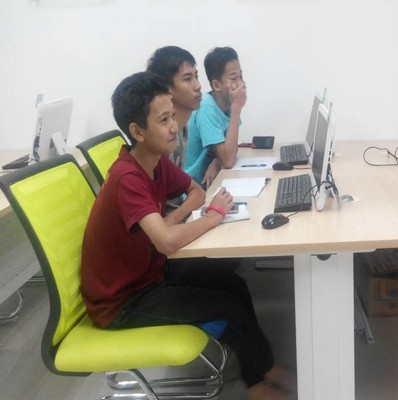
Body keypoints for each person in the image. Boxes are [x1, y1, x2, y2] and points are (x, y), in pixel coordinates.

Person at [80, 72, 294, 400]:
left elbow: (196, 192)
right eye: (163, 120)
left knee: (233, 284)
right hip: (123, 302)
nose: (174, 127)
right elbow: (167, 242)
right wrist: (211, 218)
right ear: (137, 131)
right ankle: (261, 380)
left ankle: (261, 370)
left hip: (149, 272)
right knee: (226, 307)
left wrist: (171, 219)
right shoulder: (127, 178)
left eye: (172, 117)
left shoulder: (155, 162)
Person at [185, 46, 247, 189]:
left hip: (212, 181)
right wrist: (237, 107)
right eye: (234, 78)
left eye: (241, 77)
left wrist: (217, 161)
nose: (241, 84)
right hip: (192, 189)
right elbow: (228, 160)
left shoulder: (227, 105)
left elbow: (231, 148)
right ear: (216, 85)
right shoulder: (206, 108)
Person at [146, 45, 201, 170]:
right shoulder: (161, 138)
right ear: (167, 88)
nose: (198, 86)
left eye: (196, 77)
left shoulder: (183, 127)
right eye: (188, 79)